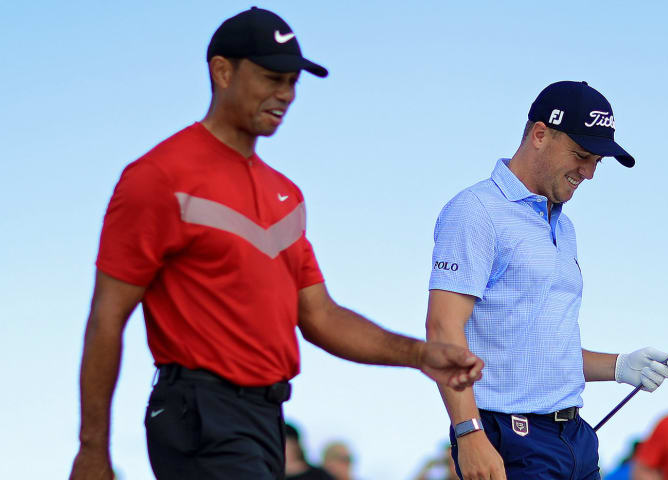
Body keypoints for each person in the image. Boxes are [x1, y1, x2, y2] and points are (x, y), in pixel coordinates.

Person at [69, 8, 484, 480]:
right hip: (198, 414)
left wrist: (418, 354)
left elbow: (321, 316)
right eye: (271, 79)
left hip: (268, 421)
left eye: (292, 82)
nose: (284, 95)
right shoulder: (158, 177)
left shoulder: (285, 196)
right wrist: (92, 451)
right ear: (222, 71)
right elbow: (106, 317)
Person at [425, 80, 668, 480]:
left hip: (575, 438)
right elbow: (442, 327)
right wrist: (469, 432)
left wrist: (619, 366)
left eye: (597, 161)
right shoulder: (476, 211)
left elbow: (538, 351)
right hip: (508, 436)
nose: (590, 173)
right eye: (582, 155)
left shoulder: (564, 227)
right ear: (540, 134)